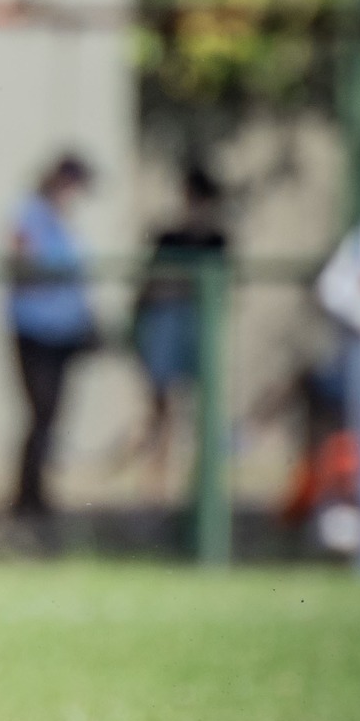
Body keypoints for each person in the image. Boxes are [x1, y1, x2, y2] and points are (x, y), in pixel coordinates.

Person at [7, 152, 97, 517]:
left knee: (52, 414)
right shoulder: (29, 214)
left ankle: (38, 491)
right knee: (40, 411)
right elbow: (20, 267)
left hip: (64, 333)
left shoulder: (66, 225)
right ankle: (28, 494)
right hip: (33, 330)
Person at [130, 164, 228, 490]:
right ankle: (158, 476)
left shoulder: (216, 240)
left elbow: (220, 289)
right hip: (165, 324)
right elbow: (153, 284)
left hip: (198, 325)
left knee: (202, 405)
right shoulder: (168, 237)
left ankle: (202, 480)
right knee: (163, 404)